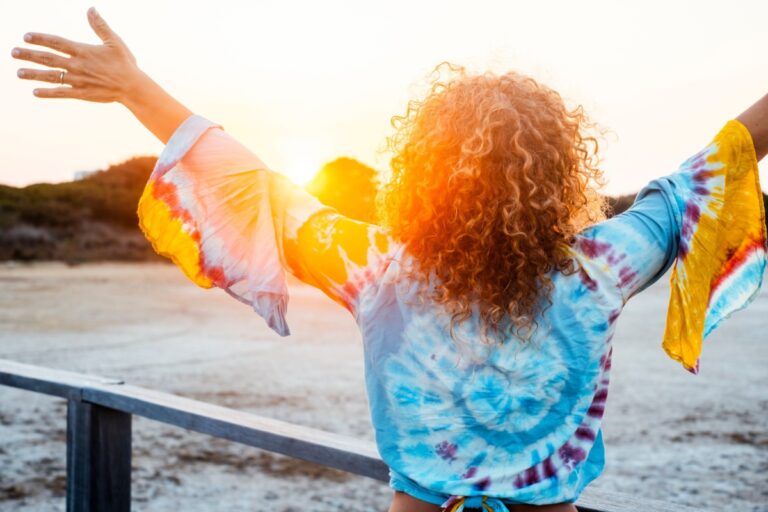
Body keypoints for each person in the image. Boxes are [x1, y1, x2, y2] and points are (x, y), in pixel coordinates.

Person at [12, 8, 767, 512]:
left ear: (421, 173)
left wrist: (137, 90)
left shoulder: (378, 270)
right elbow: (708, 170)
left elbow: (256, 187)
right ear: (559, 172)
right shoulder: (603, 265)